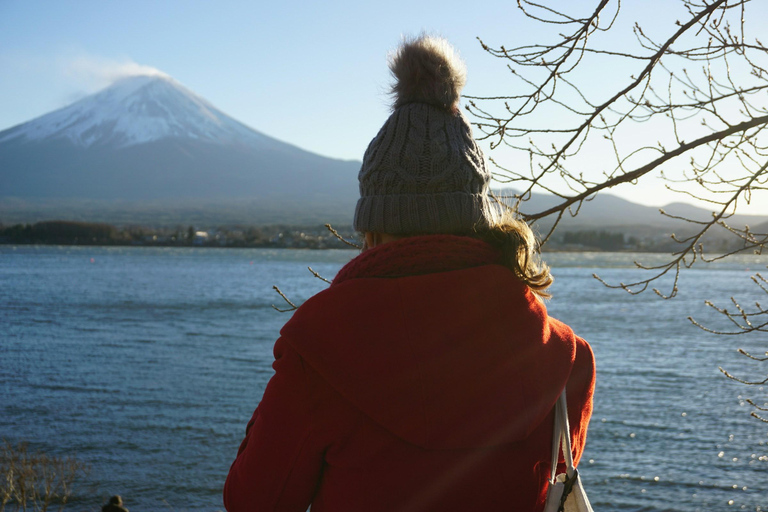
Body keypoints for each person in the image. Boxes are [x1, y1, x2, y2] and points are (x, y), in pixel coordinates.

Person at [224, 35, 595, 512]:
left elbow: (255, 501)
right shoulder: (565, 359)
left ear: (374, 224)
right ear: (478, 220)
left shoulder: (320, 348)